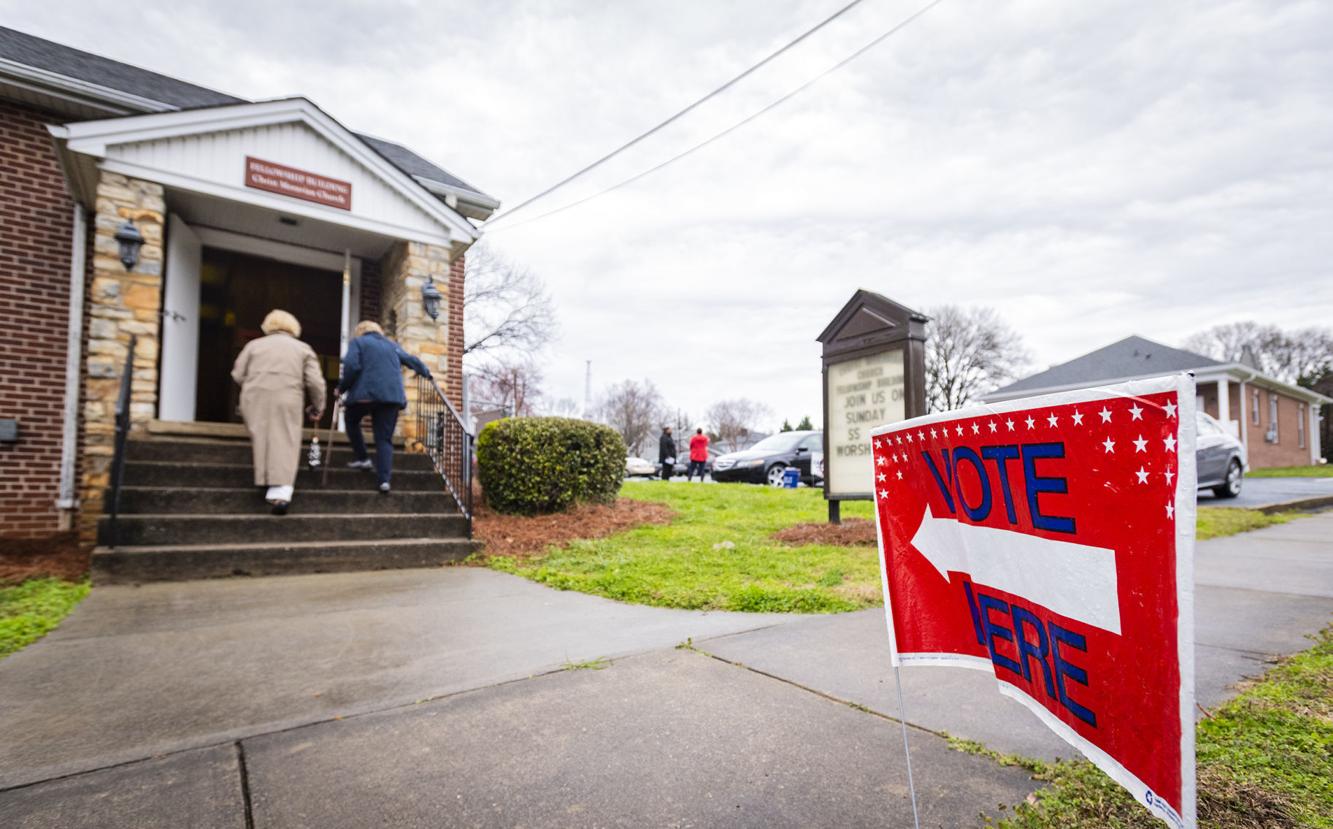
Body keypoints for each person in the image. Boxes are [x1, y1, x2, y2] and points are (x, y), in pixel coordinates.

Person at [230, 309, 325, 514]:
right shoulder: (302, 349)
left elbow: (238, 374)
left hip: (254, 397)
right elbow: (315, 382)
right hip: (287, 397)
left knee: (262, 436)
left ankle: (264, 479)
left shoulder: (253, 346)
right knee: (284, 439)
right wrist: (318, 405)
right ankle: (280, 491)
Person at [337, 320, 433, 493]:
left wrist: (341, 388)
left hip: (365, 395)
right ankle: (384, 481)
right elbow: (410, 360)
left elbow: (351, 367)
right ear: (378, 331)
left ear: (360, 331)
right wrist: (426, 372)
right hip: (391, 397)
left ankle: (363, 458)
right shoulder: (391, 345)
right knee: (384, 438)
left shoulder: (358, 342)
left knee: (351, 420)